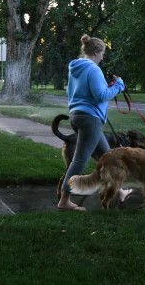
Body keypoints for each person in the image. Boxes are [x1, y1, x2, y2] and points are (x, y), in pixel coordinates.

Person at [57, 34, 132, 211]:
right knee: (79, 161)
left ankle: (119, 191)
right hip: (90, 119)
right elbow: (101, 95)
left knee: (108, 157)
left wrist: (109, 88)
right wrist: (119, 86)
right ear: (97, 51)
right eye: (102, 53)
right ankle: (64, 200)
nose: (103, 57)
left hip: (78, 115)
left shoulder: (75, 67)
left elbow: (88, 92)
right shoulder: (93, 69)